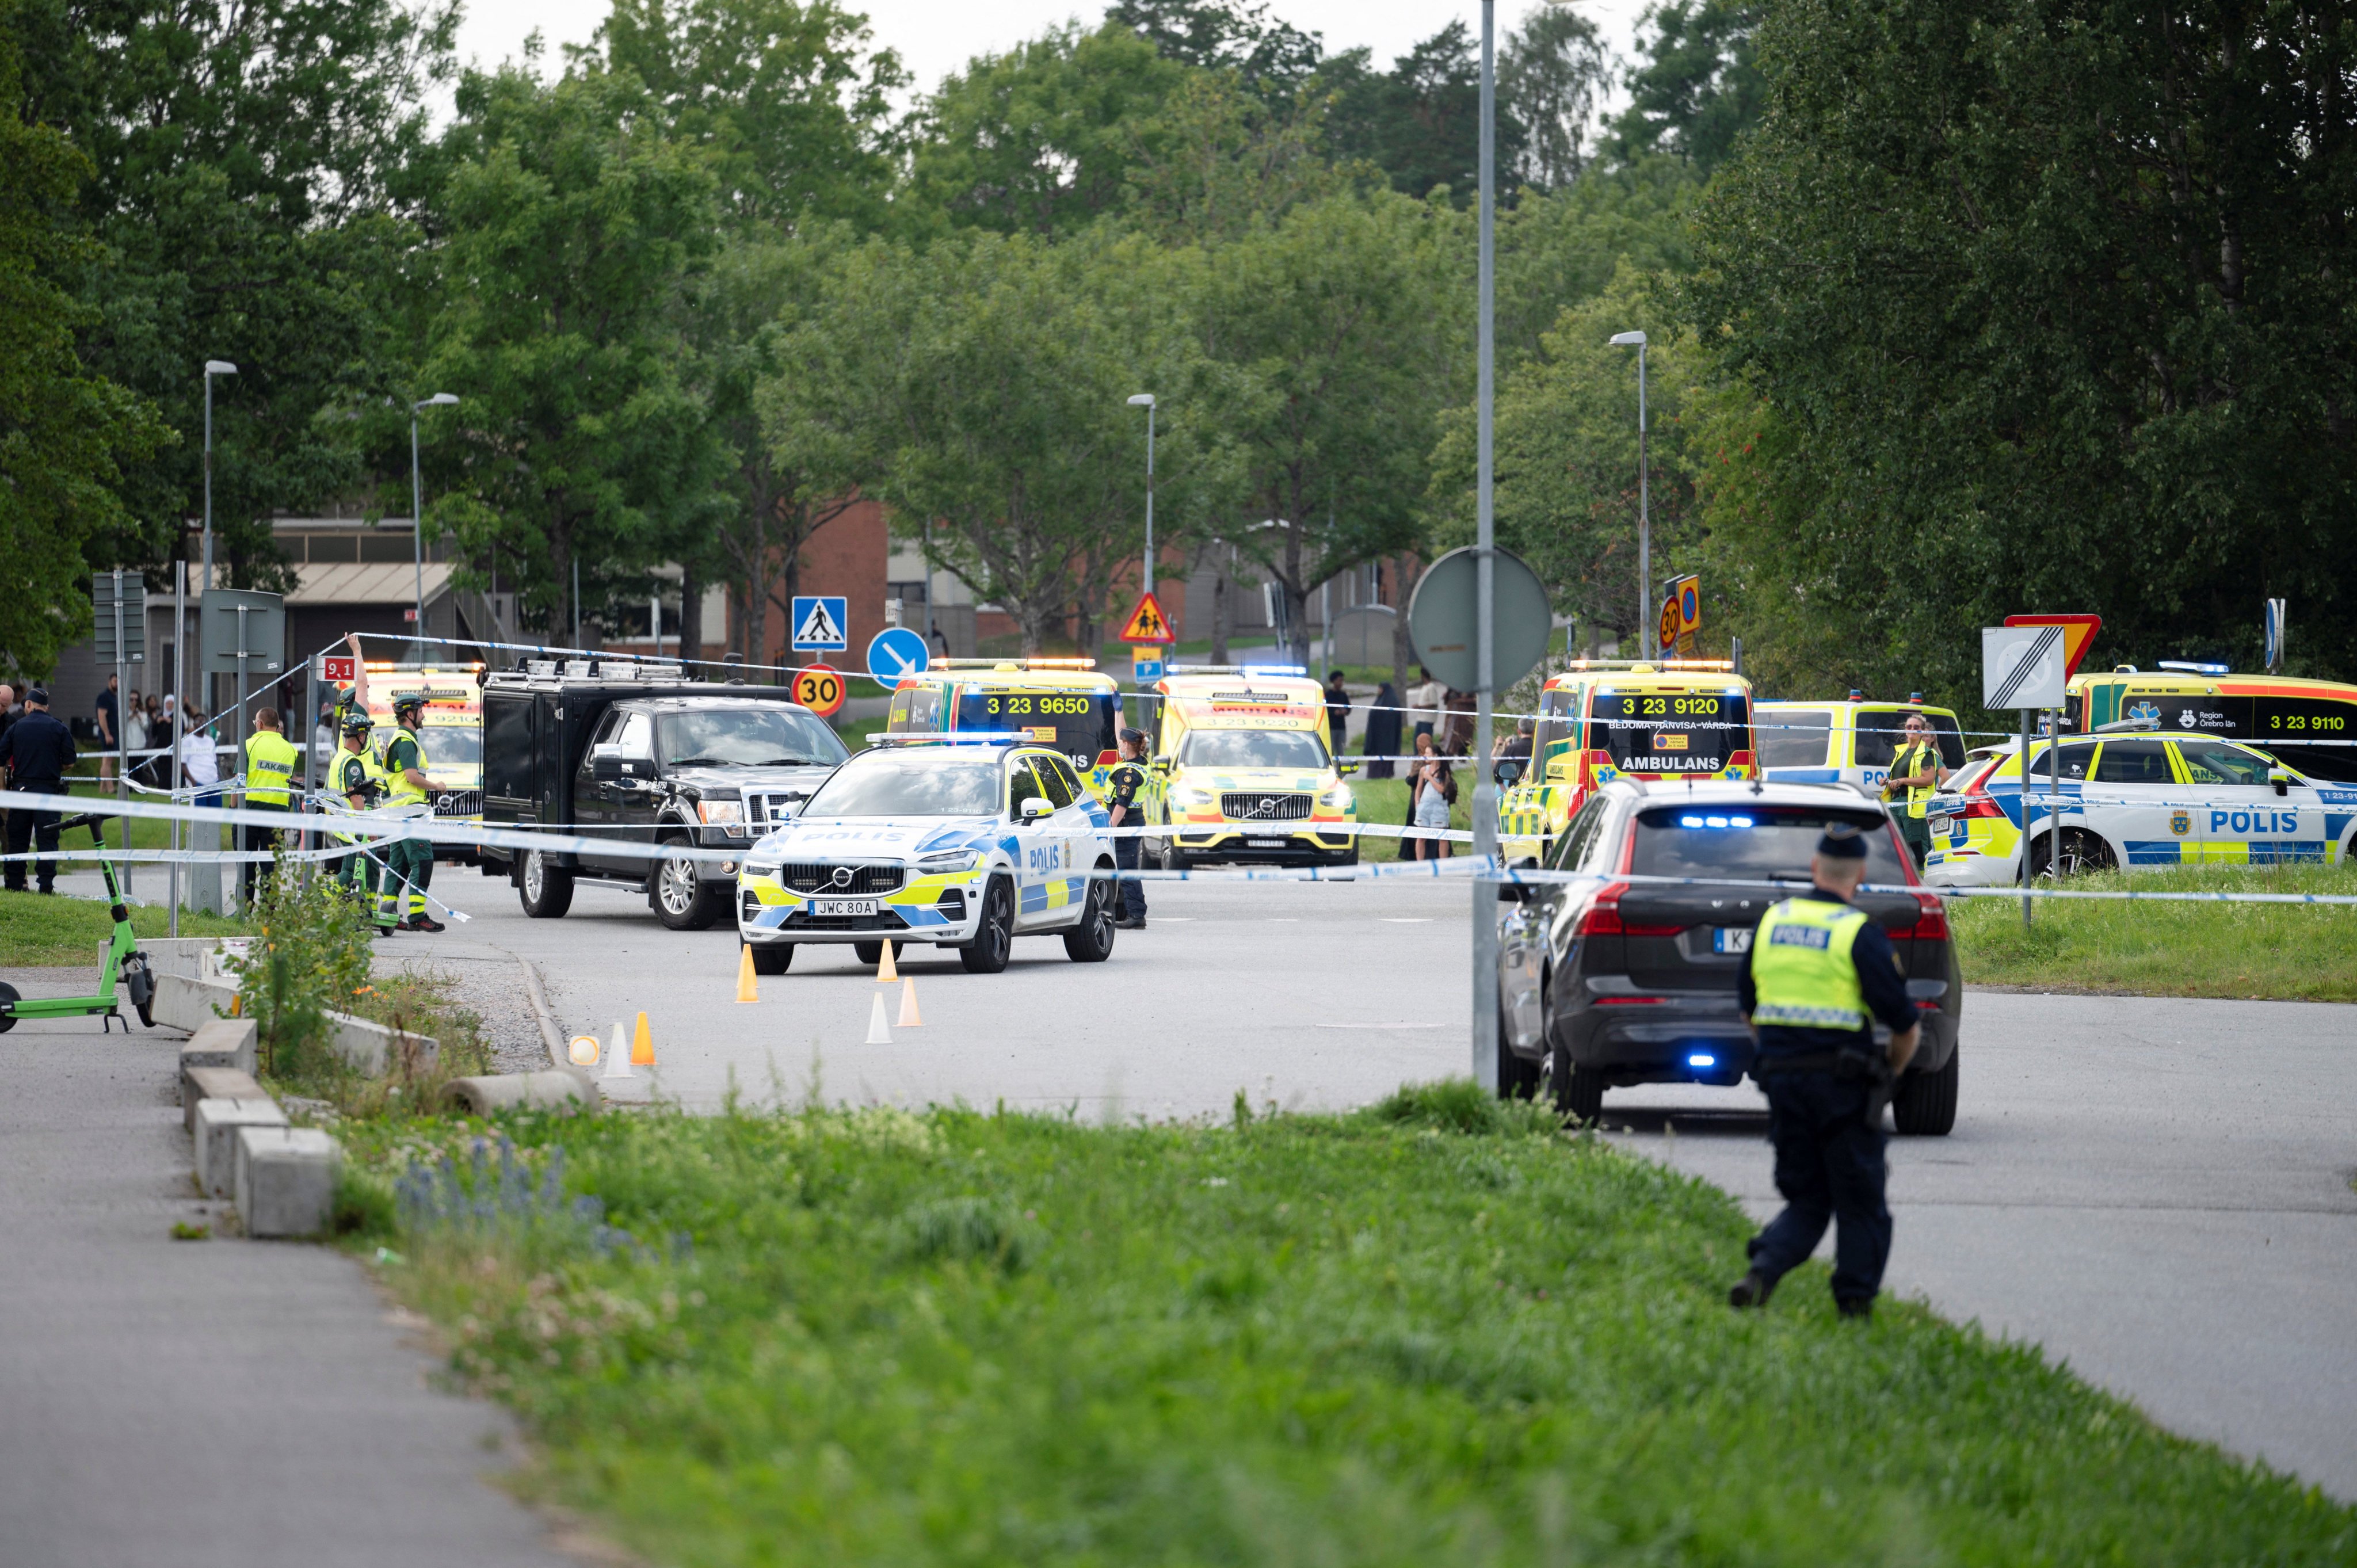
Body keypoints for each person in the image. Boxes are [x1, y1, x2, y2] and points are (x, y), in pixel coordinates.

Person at [1727, 822, 1922, 1320]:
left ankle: (1762, 1271)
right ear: (1858, 875)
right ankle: (1854, 1306)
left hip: (1782, 1083)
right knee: (1860, 1202)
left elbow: (1748, 1008)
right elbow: (1906, 1026)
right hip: (1844, 1089)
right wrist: (1891, 1076)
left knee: (1809, 1198)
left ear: (1815, 867)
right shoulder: (1859, 934)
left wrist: (1778, 1056)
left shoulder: (1773, 922)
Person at [352, 655, 443, 933]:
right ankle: (417, 916)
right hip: (408, 814)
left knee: (399, 866)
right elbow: (412, 777)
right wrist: (437, 787)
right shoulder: (405, 741)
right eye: (421, 710)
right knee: (423, 861)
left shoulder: (403, 740)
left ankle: (388, 914)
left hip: (399, 814)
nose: (424, 714)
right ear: (410, 714)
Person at [0, 687, 77, 893]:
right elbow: (70, 762)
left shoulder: (17, 727)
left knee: (17, 839)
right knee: (48, 840)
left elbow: (2, 757)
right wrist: (52, 766)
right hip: (48, 792)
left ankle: (14, 885)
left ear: (28, 705)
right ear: (47, 707)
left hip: (21, 791)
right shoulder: (59, 728)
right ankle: (45, 886)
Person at [329, 711, 395, 934]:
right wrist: (367, 825)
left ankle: (364, 908)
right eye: (365, 735)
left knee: (366, 868)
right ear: (360, 736)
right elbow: (355, 796)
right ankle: (322, 900)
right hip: (353, 826)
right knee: (350, 872)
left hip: (341, 825)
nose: (366, 739)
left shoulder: (338, 757)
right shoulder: (352, 763)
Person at [239, 705, 302, 903]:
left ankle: (245, 909)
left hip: (249, 810)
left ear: (260, 724)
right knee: (270, 865)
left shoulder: (250, 744)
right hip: (278, 814)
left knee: (246, 863)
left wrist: (233, 810)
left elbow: (238, 780)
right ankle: (268, 911)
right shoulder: (291, 750)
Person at [1883, 714, 1946, 871]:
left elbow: (1929, 779)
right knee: (1897, 845)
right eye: (1909, 727)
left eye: (1916, 727)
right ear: (1905, 730)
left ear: (1922, 731)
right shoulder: (1901, 752)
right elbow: (1897, 777)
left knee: (1917, 847)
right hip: (1895, 804)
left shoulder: (1926, 753)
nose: (1912, 730)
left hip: (1913, 806)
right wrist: (1888, 781)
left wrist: (1903, 781)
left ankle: (1924, 885)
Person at [1105, 726, 1150, 930]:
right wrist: (1118, 710)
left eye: (1120, 742)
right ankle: (1136, 911)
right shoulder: (1138, 762)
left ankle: (1136, 915)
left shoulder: (1129, 773)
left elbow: (1121, 804)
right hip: (1132, 823)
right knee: (1127, 868)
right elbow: (1121, 732)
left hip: (1126, 825)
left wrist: (1109, 830)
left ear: (1126, 745)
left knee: (1127, 870)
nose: (1118, 744)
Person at [1408, 733, 1454, 861]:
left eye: (1428, 754)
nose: (1425, 756)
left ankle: (1443, 864)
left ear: (1436, 756)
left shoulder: (1444, 771)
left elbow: (1441, 789)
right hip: (1425, 806)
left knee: (1442, 837)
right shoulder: (1424, 770)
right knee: (1421, 837)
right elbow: (1418, 789)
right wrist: (1418, 804)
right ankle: (1420, 864)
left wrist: (1430, 778)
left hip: (1439, 807)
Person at [1363, 679, 1401, 780]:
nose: (1379, 690)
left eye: (1380, 688)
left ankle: (1384, 774)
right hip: (1379, 738)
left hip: (1387, 737)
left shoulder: (1392, 704)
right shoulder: (1382, 702)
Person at [1406, 666, 1443, 748]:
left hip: (1428, 719)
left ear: (1423, 676)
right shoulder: (1424, 687)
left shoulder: (1431, 687)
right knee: (1417, 739)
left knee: (1425, 740)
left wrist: (1420, 706)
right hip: (1421, 718)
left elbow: (1434, 703)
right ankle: (1418, 757)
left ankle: (1427, 755)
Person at [94, 673, 119, 795]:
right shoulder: (104, 697)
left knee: (107, 761)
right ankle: (111, 789)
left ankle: (102, 789)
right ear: (110, 681)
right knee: (107, 761)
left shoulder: (113, 697)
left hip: (113, 733)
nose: (117, 684)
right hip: (108, 734)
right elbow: (101, 716)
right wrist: (107, 734)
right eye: (115, 681)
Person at [1324, 670, 1352, 756]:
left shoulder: (1343, 695)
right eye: (1340, 680)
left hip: (1341, 727)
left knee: (1341, 751)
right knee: (1330, 750)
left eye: (1342, 681)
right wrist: (1333, 712)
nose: (1341, 683)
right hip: (1331, 727)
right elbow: (1324, 709)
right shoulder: (1328, 695)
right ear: (1334, 681)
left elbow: (1349, 708)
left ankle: (1340, 769)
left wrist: (1345, 711)